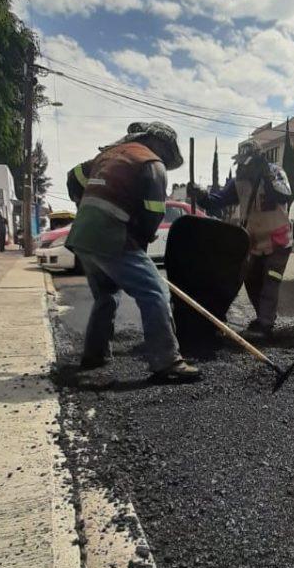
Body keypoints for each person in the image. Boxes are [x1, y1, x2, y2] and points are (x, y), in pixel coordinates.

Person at [66, 121, 199, 383]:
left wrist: (82, 204)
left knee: (106, 294)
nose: (167, 160)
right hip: (110, 235)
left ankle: (95, 354)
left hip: (82, 235)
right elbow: (153, 214)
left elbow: (74, 176)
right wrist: (139, 242)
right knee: (154, 292)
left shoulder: (108, 155)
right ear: (160, 144)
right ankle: (167, 361)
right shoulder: (151, 164)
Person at [190, 140, 292, 337]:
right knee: (251, 279)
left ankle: (265, 324)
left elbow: (284, 196)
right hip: (254, 242)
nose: (244, 166)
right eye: (241, 162)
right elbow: (216, 201)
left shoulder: (275, 172)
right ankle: (262, 317)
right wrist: (201, 195)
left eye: (248, 162)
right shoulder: (239, 181)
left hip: (278, 241)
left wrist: (267, 176)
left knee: (271, 280)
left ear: (258, 159)